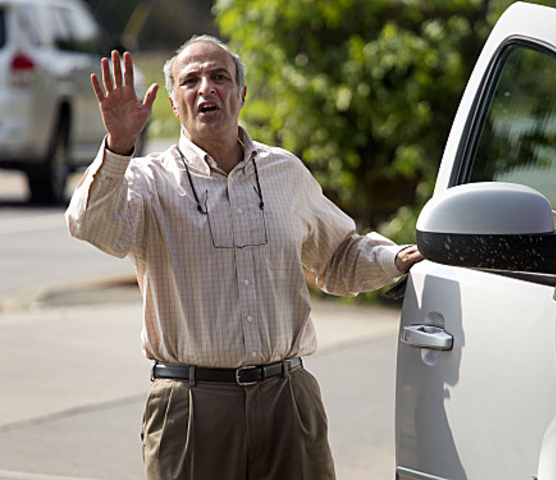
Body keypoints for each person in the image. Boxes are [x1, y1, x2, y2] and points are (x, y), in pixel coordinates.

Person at [65, 35, 423, 480]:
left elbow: (339, 256)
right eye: (190, 80)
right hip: (192, 406)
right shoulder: (146, 181)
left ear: (241, 93)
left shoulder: (285, 172)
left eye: (219, 76)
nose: (206, 88)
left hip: (287, 400)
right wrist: (118, 147)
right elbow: (90, 225)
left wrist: (399, 259)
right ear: (174, 104)